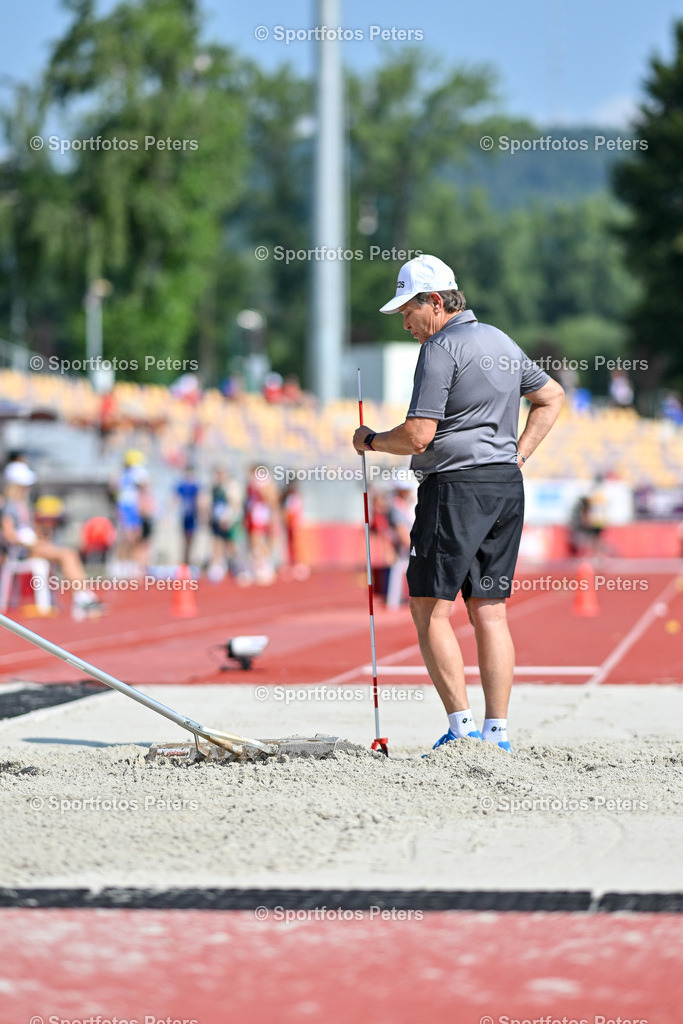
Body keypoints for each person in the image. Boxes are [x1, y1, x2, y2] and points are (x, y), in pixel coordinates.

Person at [352, 254, 564, 753]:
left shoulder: (440, 348)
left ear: (435, 302)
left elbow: (418, 435)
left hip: (455, 487)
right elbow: (551, 396)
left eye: (408, 310)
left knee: (428, 607)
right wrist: (518, 454)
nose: (405, 323)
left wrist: (371, 440)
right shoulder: (500, 340)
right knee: (490, 610)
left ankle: (462, 729)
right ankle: (497, 734)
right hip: (504, 485)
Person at [1, 462, 104, 619]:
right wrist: (30, 542)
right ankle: (82, 596)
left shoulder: (23, 504)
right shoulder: (9, 507)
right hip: (21, 552)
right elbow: (10, 535)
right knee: (66, 554)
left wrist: (38, 538)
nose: (26, 488)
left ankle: (83, 594)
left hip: (30, 547)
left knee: (68, 554)